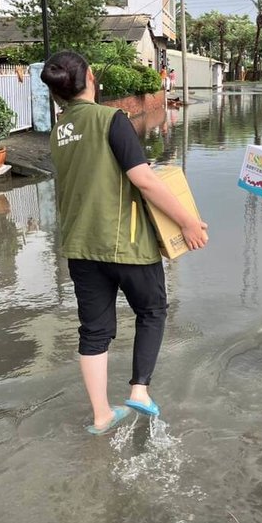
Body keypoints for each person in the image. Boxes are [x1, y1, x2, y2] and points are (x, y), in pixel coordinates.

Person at [40, 51, 209, 434]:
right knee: (152, 310)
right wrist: (188, 222)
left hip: (81, 245)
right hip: (126, 241)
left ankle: (101, 415)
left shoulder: (59, 132)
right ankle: (139, 390)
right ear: (91, 77)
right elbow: (144, 180)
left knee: (94, 331)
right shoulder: (111, 119)